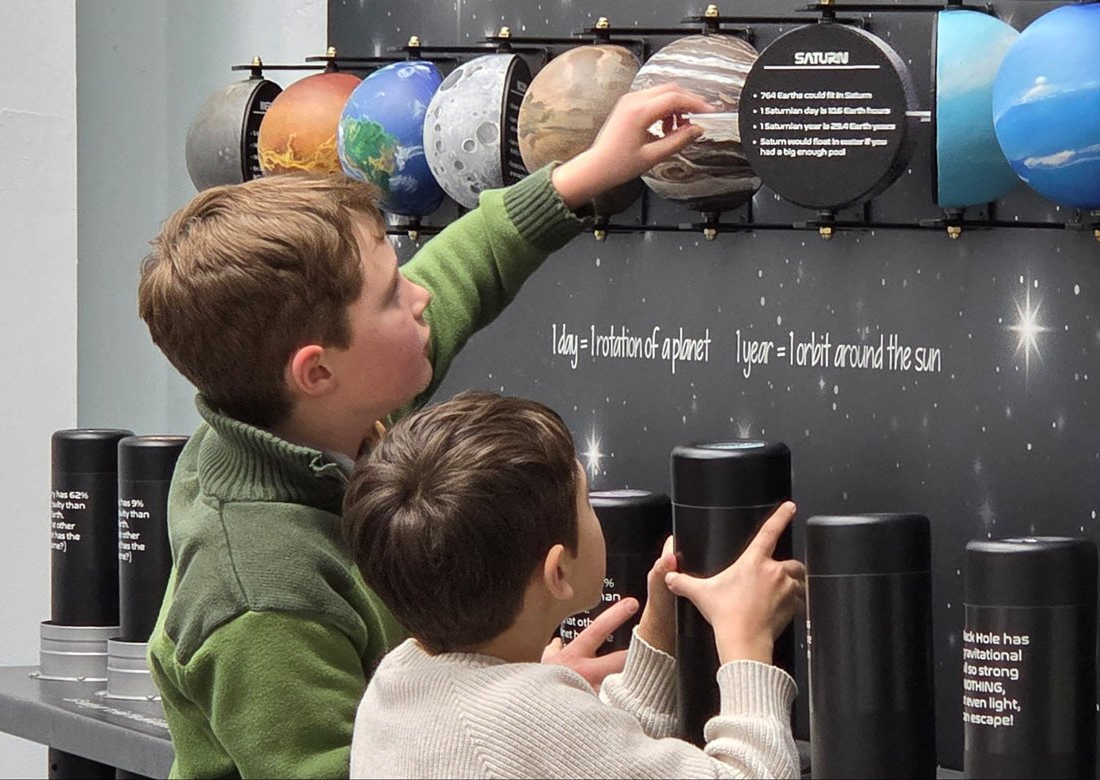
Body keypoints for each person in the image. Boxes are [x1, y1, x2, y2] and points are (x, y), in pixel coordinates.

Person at [137, 82, 716, 779]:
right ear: (316, 371)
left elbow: (466, 264)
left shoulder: (338, 405)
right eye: (391, 295)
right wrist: (507, 708)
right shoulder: (260, 591)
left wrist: (587, 171)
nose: (423, 296)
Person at [341, 391, 807, 779]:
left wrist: (659, 629)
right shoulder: (522, 721)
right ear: (558, 572)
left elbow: (595, 761)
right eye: (584, 499)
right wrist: (747, 642)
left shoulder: (396, 681)